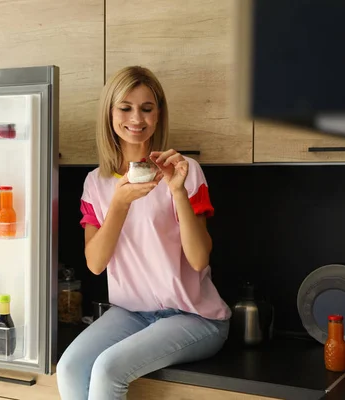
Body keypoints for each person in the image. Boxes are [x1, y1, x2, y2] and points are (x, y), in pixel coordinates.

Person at [56, 66, 231, 400]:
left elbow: (198, 259)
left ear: (158, 114)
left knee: (108, 369)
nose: (136, 118)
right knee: (69, 367)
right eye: (125, 107)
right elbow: (95, 263)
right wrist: (120, 203)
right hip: (131, 313)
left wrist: (177, 190)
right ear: (110, 113)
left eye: (146, 108)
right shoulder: (96, 182)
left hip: (194, 316)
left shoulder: (185, 171)